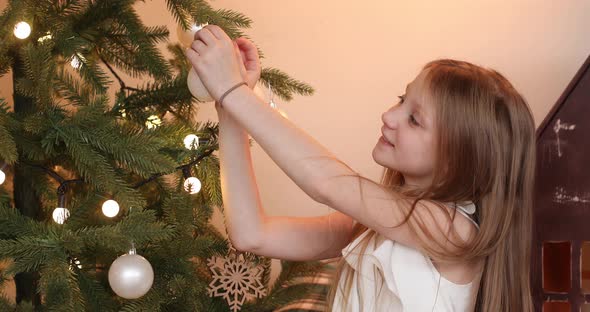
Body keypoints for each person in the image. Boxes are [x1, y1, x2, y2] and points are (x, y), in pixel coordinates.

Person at [185, 25, 535, 312]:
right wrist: (229, 107)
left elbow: (327, 182)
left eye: (414, 119)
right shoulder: (368, 225)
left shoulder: (453, 230)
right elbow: (252, 234)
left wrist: (232, 90)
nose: (389, 116)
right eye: (402, 99)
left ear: (458, 157)